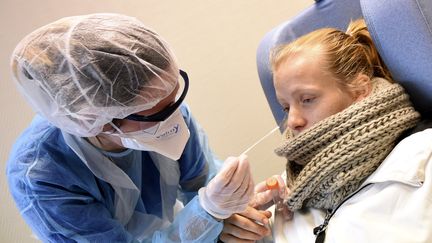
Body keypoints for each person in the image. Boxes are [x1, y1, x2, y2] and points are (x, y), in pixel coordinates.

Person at [6, 13, 258, 242]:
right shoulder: (42, 176)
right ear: (96, 119)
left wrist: (228, 213)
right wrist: (206, 214)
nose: (174, 115)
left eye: (173, 97)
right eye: (158, 109)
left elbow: (201, 184)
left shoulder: (165, 109)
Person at [220, 19, 432, 243]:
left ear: (361, 89)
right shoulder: (287, 194)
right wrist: (237, 231)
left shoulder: (424, 159)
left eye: (307, 99)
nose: (292, 121)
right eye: (286, 107)